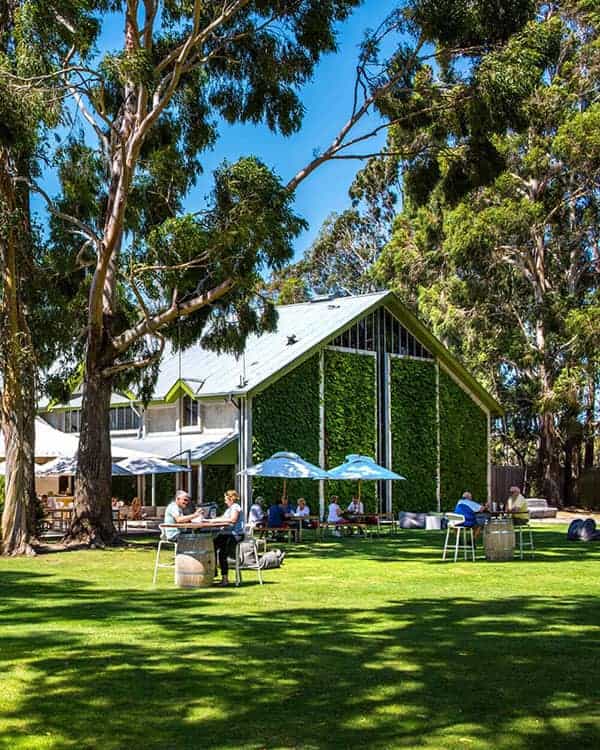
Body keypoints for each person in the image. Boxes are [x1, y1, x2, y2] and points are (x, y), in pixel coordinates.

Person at [209, 489, 245, 586]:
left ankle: (225, 579)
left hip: (235, 535)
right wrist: (214, 521)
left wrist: (214, 521)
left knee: (222, 553)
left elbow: (232, 520)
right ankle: (213, 572)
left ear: (231, 499)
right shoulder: (229, 509)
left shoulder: (235, 507)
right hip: (227, 534)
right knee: (211, 546)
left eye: (226, 499)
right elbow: (223, 518)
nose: (225, 501)